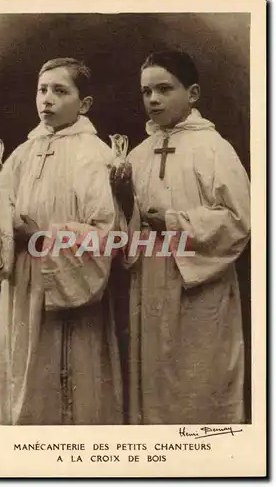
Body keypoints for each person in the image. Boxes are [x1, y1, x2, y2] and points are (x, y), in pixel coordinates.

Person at [0, 57, 123, 425]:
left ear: (84, 103)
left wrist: (41, 236)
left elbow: (107, 236)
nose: (48, 99)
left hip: (72, 289)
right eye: (42, 90)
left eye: (60, 91)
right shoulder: (20, 156)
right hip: (25, 290)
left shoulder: (95, 155)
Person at [111, 49, 251, 424]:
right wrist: (127, 205)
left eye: (164, 89)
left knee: (200, 382)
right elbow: (128, 234)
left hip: (199, 286)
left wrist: (173, 222)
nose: (153, 99)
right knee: (156, 384)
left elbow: (239, 220)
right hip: (152, 284)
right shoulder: (137, 155)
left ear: (192, 94)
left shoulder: (214, 149)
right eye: (145, 92)